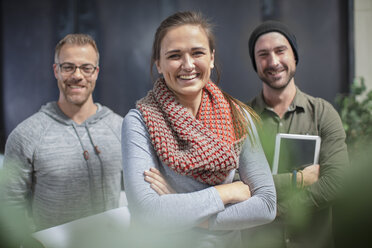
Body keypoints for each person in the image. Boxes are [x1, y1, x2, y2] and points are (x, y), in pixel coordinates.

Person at [121, 11, 276, 248]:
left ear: (212, 58)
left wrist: (177, 205)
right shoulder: (139, 121)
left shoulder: (238, 115)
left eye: (197, 53)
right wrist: (227, 192)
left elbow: (266, 206)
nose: (188, 65)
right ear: (159, 65)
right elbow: (148, 213)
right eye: (174, 55)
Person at [1, 34, 123, 233]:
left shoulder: (121, 127)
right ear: (56, 70)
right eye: (68, 67)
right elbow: (9, 208)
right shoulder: (25, 135)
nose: (77, 75)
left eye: (86, 67)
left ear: (96, 72)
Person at [243, 20, 349, 248]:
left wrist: (275, 209)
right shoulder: (242, 119)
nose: (273, 61)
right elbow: (236, 184)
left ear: (294, 57)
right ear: (255, 63)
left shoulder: (322, 113)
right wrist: (298, 180)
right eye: (263, 54)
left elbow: (336, 182)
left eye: (280, 51)